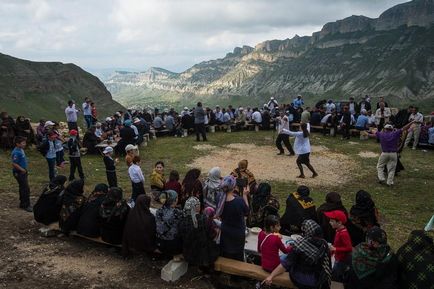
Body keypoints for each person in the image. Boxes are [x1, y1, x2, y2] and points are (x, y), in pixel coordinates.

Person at [263, 219, 332, 289]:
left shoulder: (301, 245)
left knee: (284, 258)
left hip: (300, 280)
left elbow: (286, 264)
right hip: (317, 279)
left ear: (307, 232)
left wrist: (271, 276)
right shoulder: (324, 244)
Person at [179, 196, 219, 267]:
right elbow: (212, 235)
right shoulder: (203, 219)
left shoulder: (183, 220)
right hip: (203, 256)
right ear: (196, 207)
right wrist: (217, 231)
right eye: (198, 205)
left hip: (188, 253)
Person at [217, 175, 250, 261]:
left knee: (226, 254)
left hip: (225, 230)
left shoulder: (219, 198)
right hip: (237, 233)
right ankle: (235, 274)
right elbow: (247, 212)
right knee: (237, 257)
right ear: (234, 187)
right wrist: (245, 195)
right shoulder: (239, 201)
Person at [374, 121, 414, 186]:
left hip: (384, 153)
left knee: (380, 166)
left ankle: (381, 178)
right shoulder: (395, 133)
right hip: (394, 154)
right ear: (392, 129)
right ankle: (389, 182)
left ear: (385, 129)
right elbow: (404, 128)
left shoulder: (381, 134)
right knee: (392, 169)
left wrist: (369, 132)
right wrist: (412, 122)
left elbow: (374, 133)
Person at [324, 210, 352, 282]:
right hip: (337, 256)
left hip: (341, 260)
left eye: (332, 221)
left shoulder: (343, 234)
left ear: (339, 222)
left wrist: (335, 249)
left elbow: (349, 248)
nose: (330, 223)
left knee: (335, 275)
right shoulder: (338, 230)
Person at [155, 190, 183, 258]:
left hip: (160, 243)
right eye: (177, 198)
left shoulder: (159, 211)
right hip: (173, 246)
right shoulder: (178, 212)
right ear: (174, 200)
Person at [11, 136, 32, 212]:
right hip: (19, 172)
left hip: (23, 171)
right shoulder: (16, 152)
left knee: (23, 187)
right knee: (25, 189)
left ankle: (23, 202)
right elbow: (14, 164)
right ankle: (25, 205)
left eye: (25, 142)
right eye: (23, 143)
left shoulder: (21, 149)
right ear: (17, 144)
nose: (25, 144)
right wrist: (22, 169)